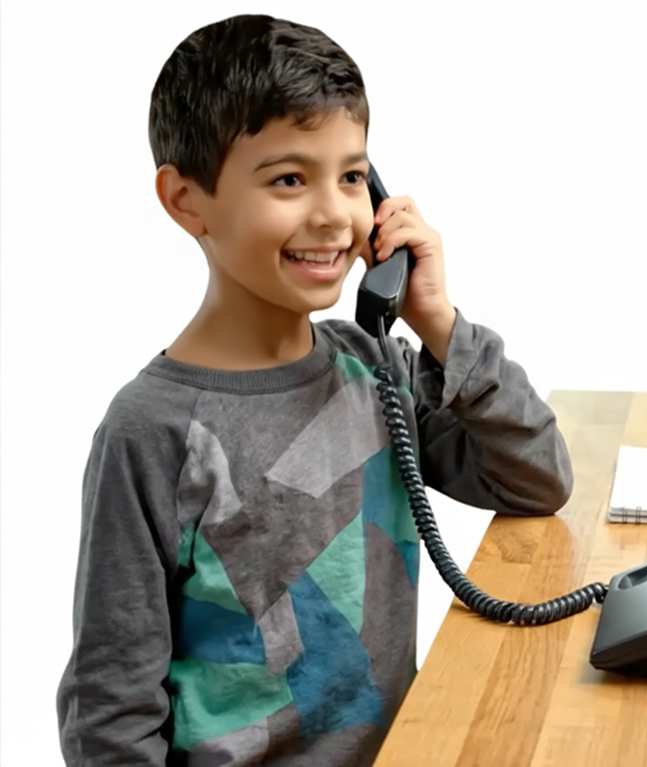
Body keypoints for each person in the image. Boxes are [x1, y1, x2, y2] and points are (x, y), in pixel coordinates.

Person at [56, 14, 572, 766]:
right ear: (186, 200)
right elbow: (110, 708)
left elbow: (536, 476)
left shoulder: (374, 366)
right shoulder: (152, 429)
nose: (334, 212)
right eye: (290, 179)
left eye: (354, 176)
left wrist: (437, 321)